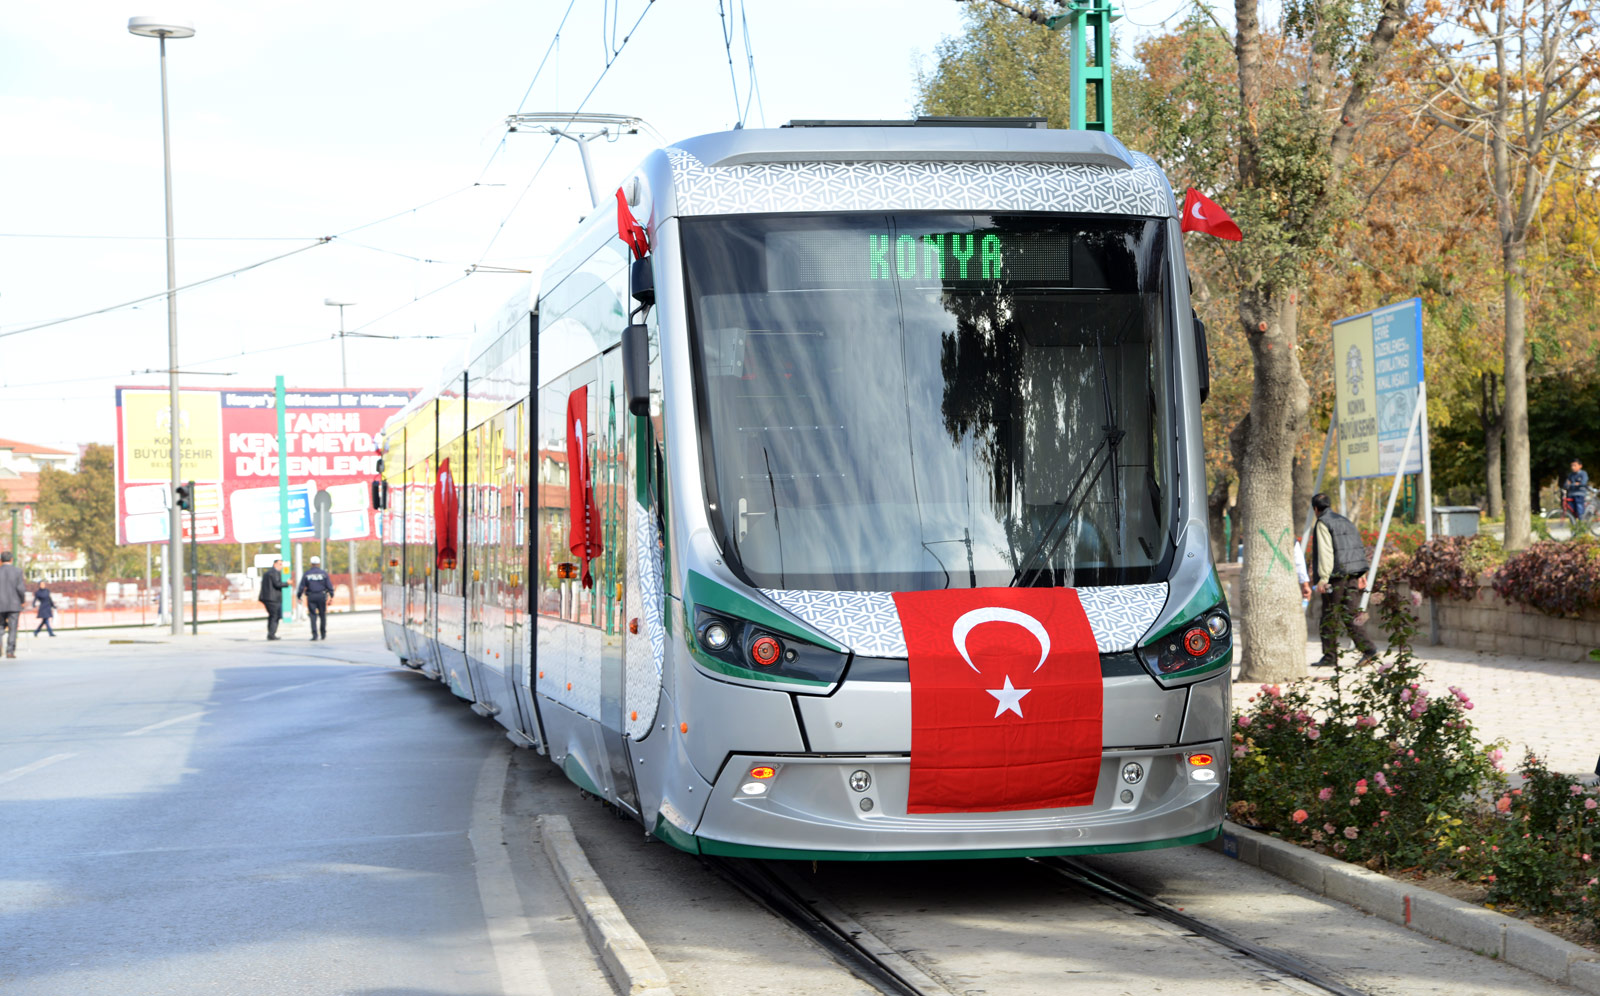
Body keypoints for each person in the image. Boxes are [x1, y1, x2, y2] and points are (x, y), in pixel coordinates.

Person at [1308, 493, 1378, 669]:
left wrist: (1323, 579)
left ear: (1316, 509)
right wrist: (1362, 573)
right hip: (1353, 575)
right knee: (1351, 614)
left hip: (1336, 577)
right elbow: (1356, 548)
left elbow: (1325, 553)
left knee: (1329, 616)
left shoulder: (1323, 522)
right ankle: (1368, 649)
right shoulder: (1345, 521)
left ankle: (1330, 656)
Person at [297, 555, 333, 640]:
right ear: (319, 563)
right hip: (321, 596)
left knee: (313, 616)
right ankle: (323, 633)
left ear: (311, 564)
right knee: (322, 615)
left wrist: (299, 596)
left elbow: (302, 586)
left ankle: (314, 634)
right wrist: (331, 596)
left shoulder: (307, 574)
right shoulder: (323, 573)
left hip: (311, 596)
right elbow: (329, 586)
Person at [0, 551, 26, 658]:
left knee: (0, 626)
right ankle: (10, 651)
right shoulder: (17, 571)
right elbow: (20, 588)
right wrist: (22, 600)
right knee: (13, 627)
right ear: (11, 559)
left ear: (1, 560)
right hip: (14, 604)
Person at [258, 560, 287, 640]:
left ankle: (271, 633)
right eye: (280, 564)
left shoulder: (267, 573)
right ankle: (271, 634)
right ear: (275, 564)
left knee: (272, 616)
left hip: (266, 598)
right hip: (273, 599)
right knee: (275, 616)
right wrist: (287, 583)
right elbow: (277, 584)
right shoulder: (275, 573)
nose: (281, 566)